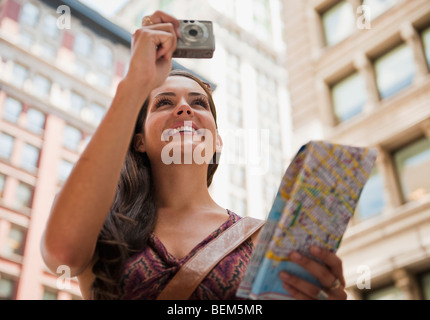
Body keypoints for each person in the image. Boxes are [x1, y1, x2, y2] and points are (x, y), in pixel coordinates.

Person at [40, 10, 347, 300]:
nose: (184, 108)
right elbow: (61, 254)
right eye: (163, 102)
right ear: (138, 141)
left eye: (199, 103)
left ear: (217, 142)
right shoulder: (104, 225)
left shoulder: (264, 240)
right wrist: (136, 82)